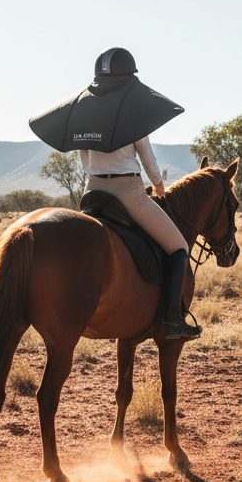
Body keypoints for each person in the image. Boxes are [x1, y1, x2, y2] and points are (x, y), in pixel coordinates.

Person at [77, 51, 202, 340]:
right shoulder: (132, 112)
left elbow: (84, 159)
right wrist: (158, 185)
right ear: (128, 79)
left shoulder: (84, 112)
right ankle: (172, 320)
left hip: (92, 191)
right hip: (128, 191)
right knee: (179, 247)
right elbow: (147, 157)